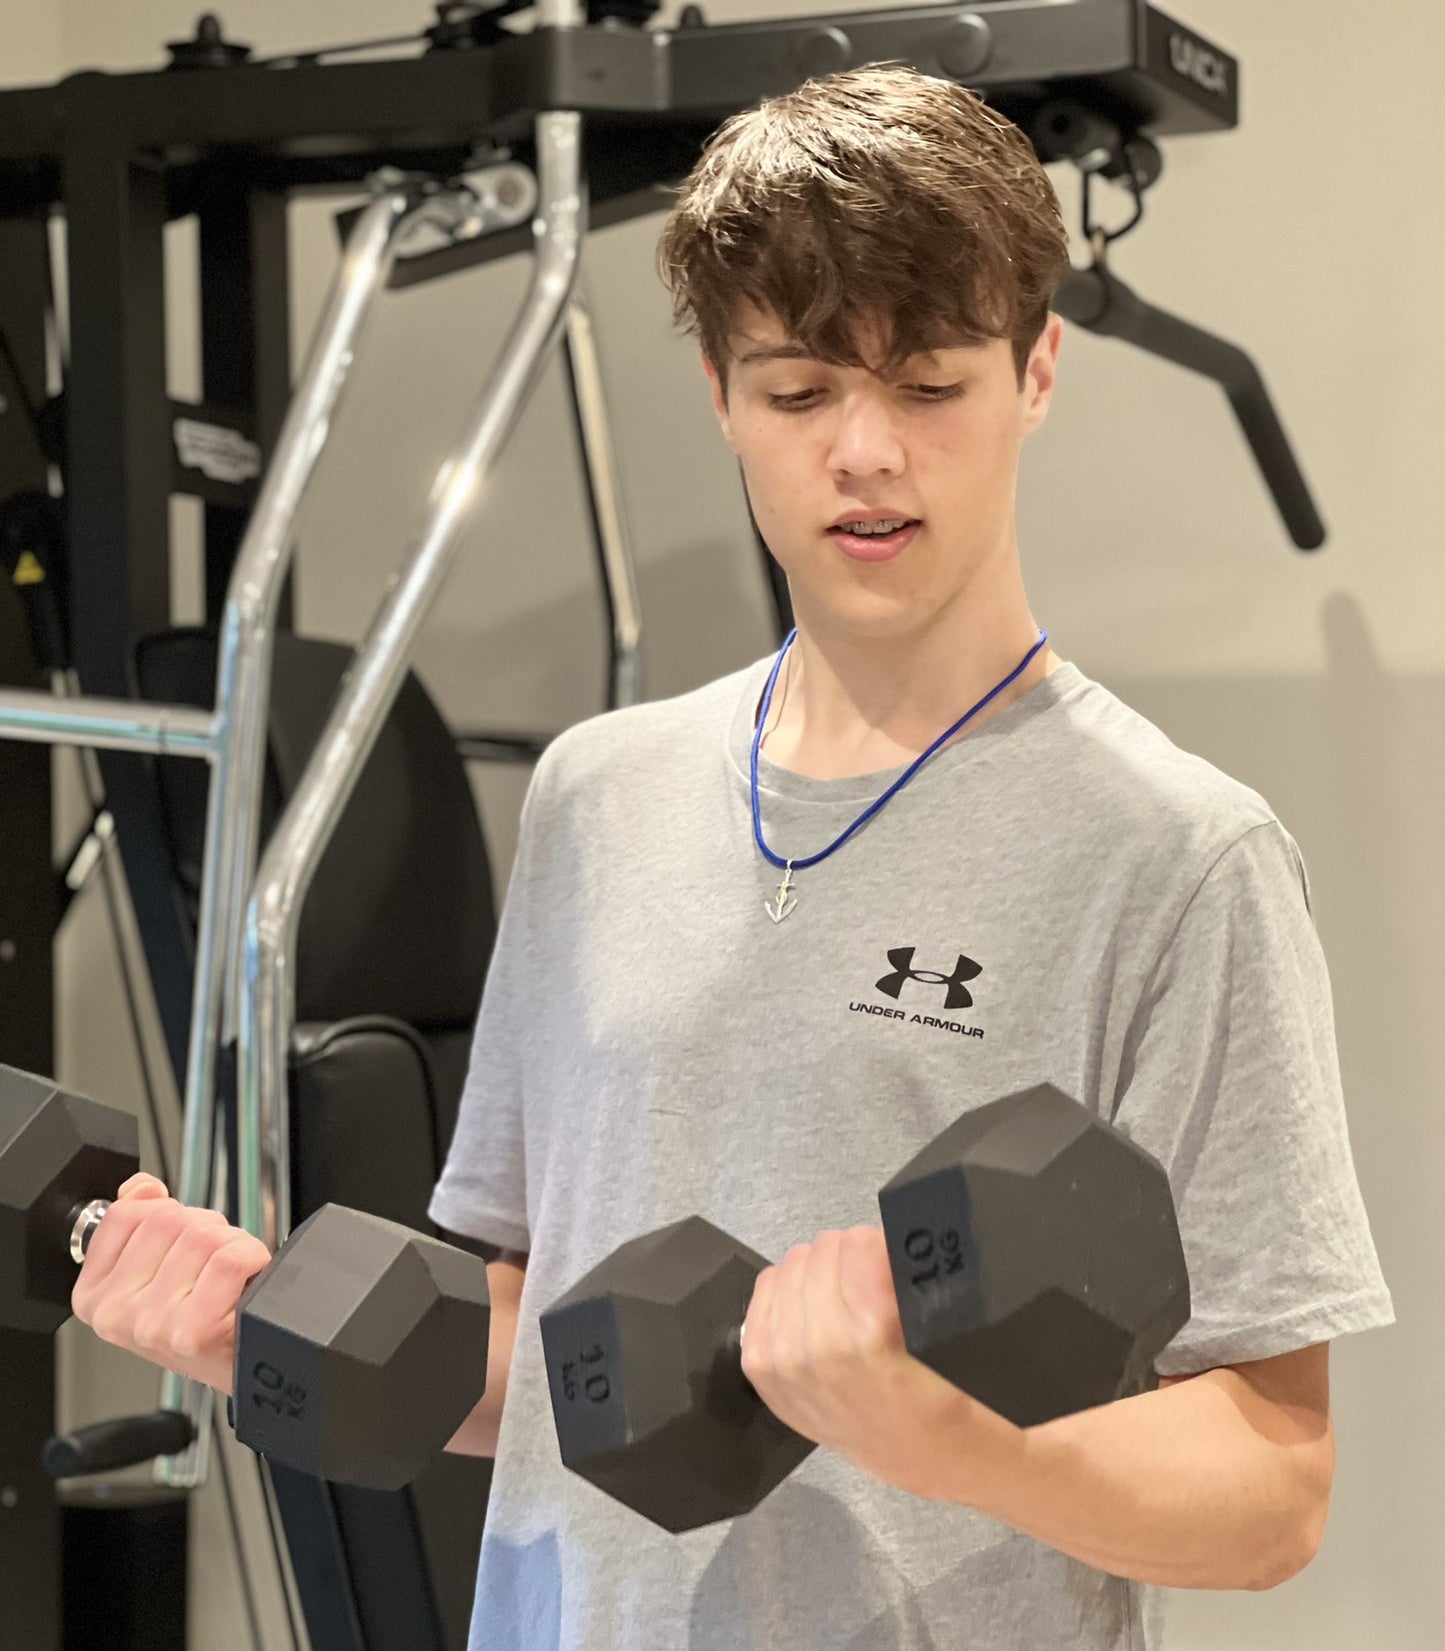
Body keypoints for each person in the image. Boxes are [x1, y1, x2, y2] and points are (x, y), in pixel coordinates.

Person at [74, 66, 1393, 1651]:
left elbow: (1273, 1483)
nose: (864, 454)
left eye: (927, 386)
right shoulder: (594, 797)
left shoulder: (1178, 857)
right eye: (796, 392)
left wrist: (947, 1441)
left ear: (1036, 371)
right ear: (718, 392)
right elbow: (550, 1366)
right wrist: (255, 1333)